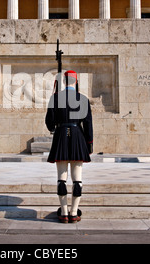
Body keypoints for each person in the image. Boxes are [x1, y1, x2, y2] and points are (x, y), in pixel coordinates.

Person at [45, 70, 93, 223]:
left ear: (64, 82)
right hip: (78, 135)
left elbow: (49, 121)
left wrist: (54, 128)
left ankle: (64, 212)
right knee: (77, 178)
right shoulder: (83, 99)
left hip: (61, 136)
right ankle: (74, 212)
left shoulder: (56, 98)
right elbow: (88, 124)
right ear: (76, 82)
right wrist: (89, 143)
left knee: (61, 178)